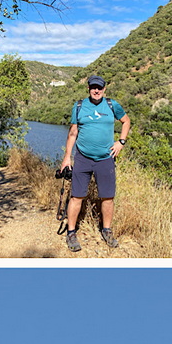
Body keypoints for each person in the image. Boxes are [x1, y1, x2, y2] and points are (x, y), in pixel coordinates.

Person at [59, 75, 131, 252]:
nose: (96, 91)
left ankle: (106, 230)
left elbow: (126, 121)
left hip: (106, 158)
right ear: (89, 89)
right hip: (83, 158)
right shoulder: (79, 106)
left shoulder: (112, 105)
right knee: (77, 196)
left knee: (107, 196)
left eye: (99, 88)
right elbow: (72, 134)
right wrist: (67, 157)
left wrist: (121, 142)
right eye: (93, 87)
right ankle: (71, 232)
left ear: (104, 89)